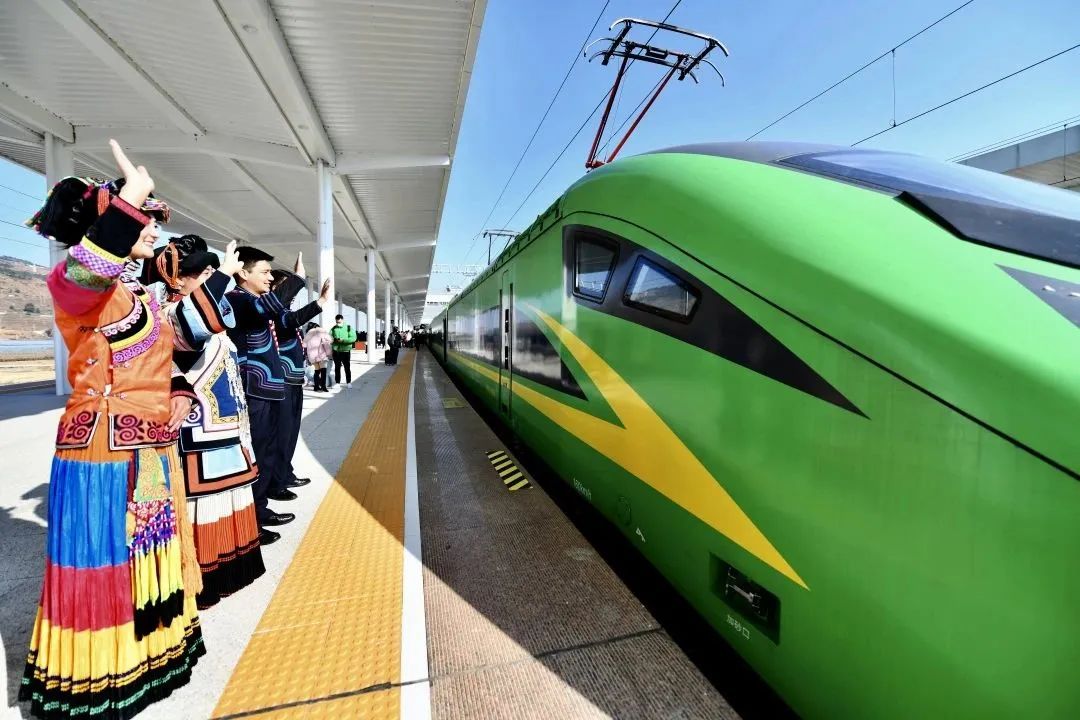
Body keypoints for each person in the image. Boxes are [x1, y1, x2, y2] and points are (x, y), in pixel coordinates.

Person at [19, 141, 204, 719]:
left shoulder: (131, 291)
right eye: (143, 218)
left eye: (149, 217)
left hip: (145, 444)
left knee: (144, 556)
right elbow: (86, 273)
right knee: (106, 559)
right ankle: (102, 674)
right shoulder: (74, 283)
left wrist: (177, 390)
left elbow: (157, 358)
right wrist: (129, 201)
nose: (153, 228)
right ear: (106, 225)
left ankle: (148, 656)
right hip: (103, 451)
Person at [145, 235, 267, 607]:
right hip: (198, 436)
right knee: (204, 508)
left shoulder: (202, 312)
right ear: (177, 279)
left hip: (222, 432)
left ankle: (225, 575)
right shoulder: (169, 316)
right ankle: (202, 584)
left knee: (226, 502)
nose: (210, 277)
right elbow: (192, 327)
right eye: (202, 272)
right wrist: (225, 275)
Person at [226, 247, 330, 539]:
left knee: (267, 450)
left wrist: (320, 303)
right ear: (243, 273)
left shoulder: (257, 303)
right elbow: (270, 310)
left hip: (268, 388)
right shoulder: (238, 300)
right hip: (254, 388)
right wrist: (296, 279)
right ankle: (251, 520)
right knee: (257, 452)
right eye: (265, 272)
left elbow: (286, 320)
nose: (270, 278)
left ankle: (260, 509)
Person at [270, 261, 313, 497]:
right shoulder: (275, 313)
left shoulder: (283, 312)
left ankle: (285, 472)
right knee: (281, 433)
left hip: (294, 380)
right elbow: (291, 321)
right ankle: (276, 481)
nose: (293, 293)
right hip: (283, 381)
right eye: (289, 288)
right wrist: (320, 303)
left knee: (291, 432)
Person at [330, 314, 356, 388]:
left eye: (339, 322)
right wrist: (332, 340)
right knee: (337, 368)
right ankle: (337, 383)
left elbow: (353, 338)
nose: (338, 323)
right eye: (337, 322)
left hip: (345, 351)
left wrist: (344, 340)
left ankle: (348, 382)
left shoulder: (348, 328)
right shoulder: (333, 328)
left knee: (347, 367)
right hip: (336, 351)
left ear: (342, 320)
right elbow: (329, 337)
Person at [305, 321, 332, 391]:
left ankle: (316, 386)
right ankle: (323, 386)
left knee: (317, 371)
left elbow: (306, 347)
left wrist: (308, 357)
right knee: (323, 371)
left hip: (312, 356)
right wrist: (329, 353)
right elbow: (326, 345)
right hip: (321, 355)